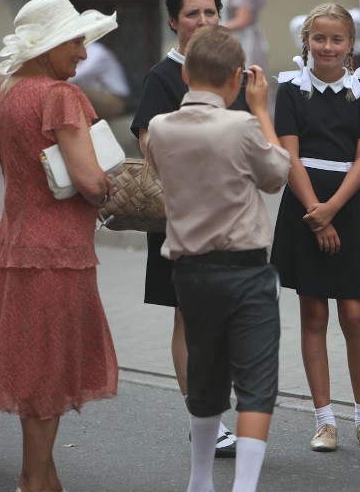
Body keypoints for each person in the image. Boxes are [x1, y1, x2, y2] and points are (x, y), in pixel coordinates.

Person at [0, 0, 119, 491]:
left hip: (17, 246)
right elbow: (90, 181)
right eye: (76, 41)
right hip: (60, 251)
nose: (82, 52)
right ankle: (33, 482)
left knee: (32, 368)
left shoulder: (9, 91)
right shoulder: (60, 96)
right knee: (51, 373)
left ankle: (41, 476)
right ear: (50, 45)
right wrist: (108, 185)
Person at [145, 25, 289, 492]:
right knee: (256, 381)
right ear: (236, 78)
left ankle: (199, 480)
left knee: (205, 375)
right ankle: (243, 488)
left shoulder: (161, 129)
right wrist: (262, 110)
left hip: (188, 270)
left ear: (185, 73)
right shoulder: (243, 124)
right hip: (243, 269)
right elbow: (276, 175)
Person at [130, 0, 244, 457]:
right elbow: (150, 146)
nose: (202, 21)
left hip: (232, 214)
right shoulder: (163, 76)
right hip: (182, 215)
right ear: (174, 21)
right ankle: (205, 419)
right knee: (190, 319)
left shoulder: (233, 71)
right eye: (192, 13)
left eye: (210, 12)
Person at [271, 3, 360, 452]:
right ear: (307, 42)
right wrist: (315, 212)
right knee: (314, 313)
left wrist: (334, 208)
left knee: (355, 314)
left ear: (350, 45)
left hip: (349, 203)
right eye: (318, 38)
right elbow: (288, 155)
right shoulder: (289, 89)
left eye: (336, 39)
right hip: (304, 203)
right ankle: (324, 421)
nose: (327, 47)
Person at [69, 41, 130, 119]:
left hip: (115, 100)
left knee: (72, 89)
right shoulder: (77, 52)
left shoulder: (97, 51)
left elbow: (77, 75)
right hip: (99, 96)